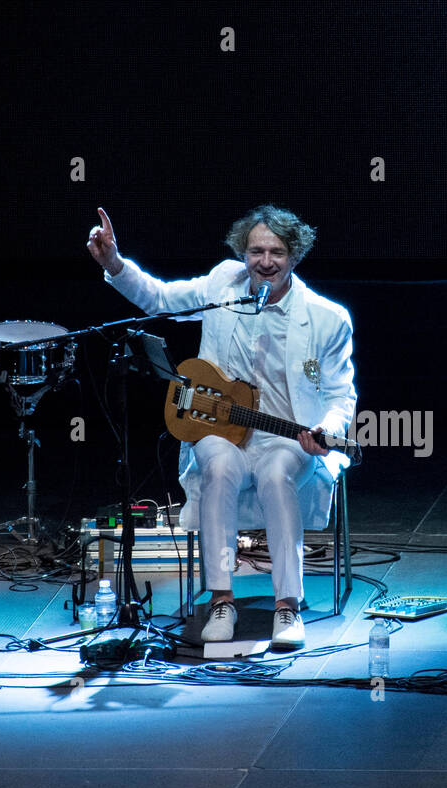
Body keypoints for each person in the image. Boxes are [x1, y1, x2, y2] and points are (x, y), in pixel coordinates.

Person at [87, 204, 356, 650]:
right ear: (242, 253)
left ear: (294, 255)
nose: (265, 261)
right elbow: (159, 299)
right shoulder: (222, 285)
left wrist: (325, 429)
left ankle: (287, 604)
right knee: (218, 469)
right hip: (220, 427)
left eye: (276, 252)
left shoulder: (327, 318)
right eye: (256, 251)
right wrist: (114, 263)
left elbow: (340, 395)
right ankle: (221, 600)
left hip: (286, 436)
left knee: (275, 474)